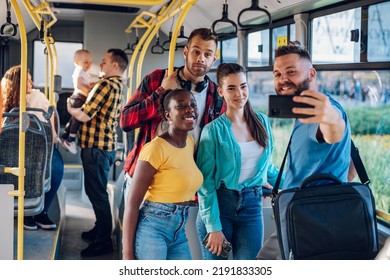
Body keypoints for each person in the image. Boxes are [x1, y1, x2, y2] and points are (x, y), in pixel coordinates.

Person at [256, 45, 351, 260]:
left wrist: (329, 117)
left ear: (311, 73)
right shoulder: (302, 113)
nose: (282, 79)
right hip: (294, 212)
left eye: (291, 72)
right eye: (277, 74)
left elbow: (334, 132)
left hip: (313, 220)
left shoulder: (325, 110)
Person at [120, 27, 226, 202]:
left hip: (186, 182)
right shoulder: (157, 79)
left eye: (208, 54)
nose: (201, 58)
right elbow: (126, 121)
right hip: (146, 177)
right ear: (186, 52)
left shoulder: (216, 96)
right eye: (196, 52)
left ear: (214, 59)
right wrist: (161, 92)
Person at [195, 63, 279, 260]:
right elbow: (205, 183)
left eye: (243, 86)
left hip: (252, 207)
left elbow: (268, 168)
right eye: (231, 88)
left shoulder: (262, 122)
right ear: (221, 91)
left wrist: (294, 186)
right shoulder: (213, 130)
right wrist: (213, 228)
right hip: (219, 207)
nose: (239, 93)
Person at [122, 88, 203, 260]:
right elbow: (132, 203)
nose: (189, 109)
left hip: (179, 230)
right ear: (167, 116)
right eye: (181, 106)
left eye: (192, 105)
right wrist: (127, 255)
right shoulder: (155, 149)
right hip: (153, 227)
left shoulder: (189, 142)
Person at [67, 48, 128, 257]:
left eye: (104, 61)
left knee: (97, 194)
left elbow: (84, 115)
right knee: (98, 192)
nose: (100, 65)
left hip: (96, 148)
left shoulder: (105, 84)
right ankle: (99, 229)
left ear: (115, 65)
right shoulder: (120, 84)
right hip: (106, 147)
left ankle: (103, 241)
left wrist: (70, 109)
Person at [1, 65, 64, 230]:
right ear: (16, 84)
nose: (32, 83)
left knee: (56, 167)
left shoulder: (38, 96)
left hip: (38, 148)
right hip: (11, 149)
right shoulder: (4, 99)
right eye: (27, 81)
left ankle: (40, 211)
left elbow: (49, 118)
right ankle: (23, 210)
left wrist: (54, 137)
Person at [60, 49, 93, 154]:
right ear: (77, 63)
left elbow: (86, 83)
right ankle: (71, 140)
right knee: (77, 119)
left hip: (78, 97)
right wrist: (90, 91)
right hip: (79, 97)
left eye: (90, 62)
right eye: (85, 62)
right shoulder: (80, 71)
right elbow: (79, 85)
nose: (88, 64)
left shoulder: (84, 72)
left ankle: (65, 135)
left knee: (74, 118)